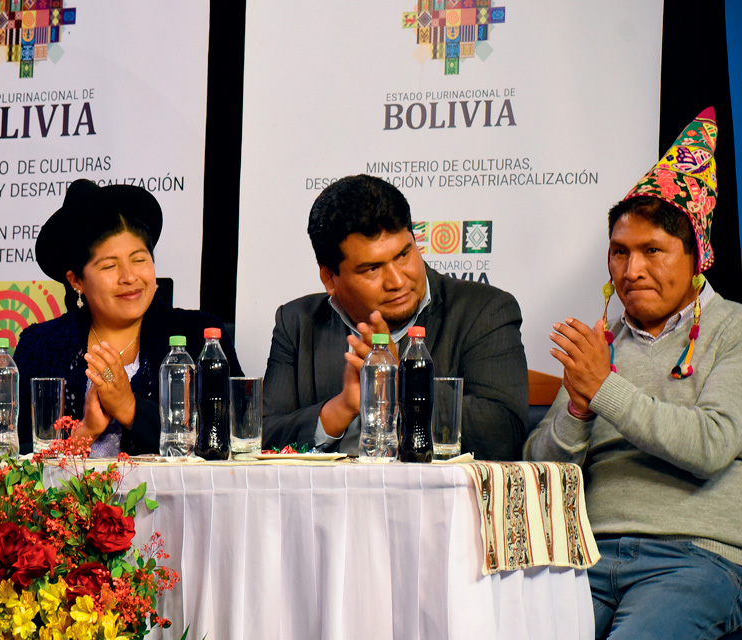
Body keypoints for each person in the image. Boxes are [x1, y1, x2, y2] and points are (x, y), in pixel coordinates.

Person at [525, 108, 742, 638]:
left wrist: (604, 389)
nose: (631, 270)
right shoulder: (600, 343)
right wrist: (576, 410)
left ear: (697, 258)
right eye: (619, 252)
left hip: (694, 558)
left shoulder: (733, 328)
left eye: (652, 251)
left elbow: (712, 444)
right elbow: (539, 470)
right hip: (586, 556)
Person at [262, 174, 528, 459]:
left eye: (403, 254)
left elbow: (504, 434)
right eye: (372, 269)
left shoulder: (484, 310)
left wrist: (400, 383)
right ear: (329, 277)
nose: (397, 280)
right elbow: (257, 436)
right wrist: (339, 409)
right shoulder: (298, 323)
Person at [14, 179, 244, 455]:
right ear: (76, 281)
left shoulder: (202, 336)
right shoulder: (40, 346)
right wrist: (83, 434)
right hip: (66, 499)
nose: (129, 277)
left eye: (139, 259)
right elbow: (4, 453)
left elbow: (234, 438)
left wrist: (130, 408)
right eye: (110, 266)